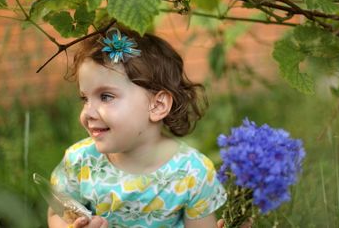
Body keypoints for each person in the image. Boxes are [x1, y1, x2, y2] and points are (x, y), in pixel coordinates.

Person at [48, 27, 227, 228]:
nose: (87, 113)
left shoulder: (193, 172)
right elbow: (57, 212)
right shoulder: (80, 161)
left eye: (106, 97)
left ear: (157, 105)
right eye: (85, 99)